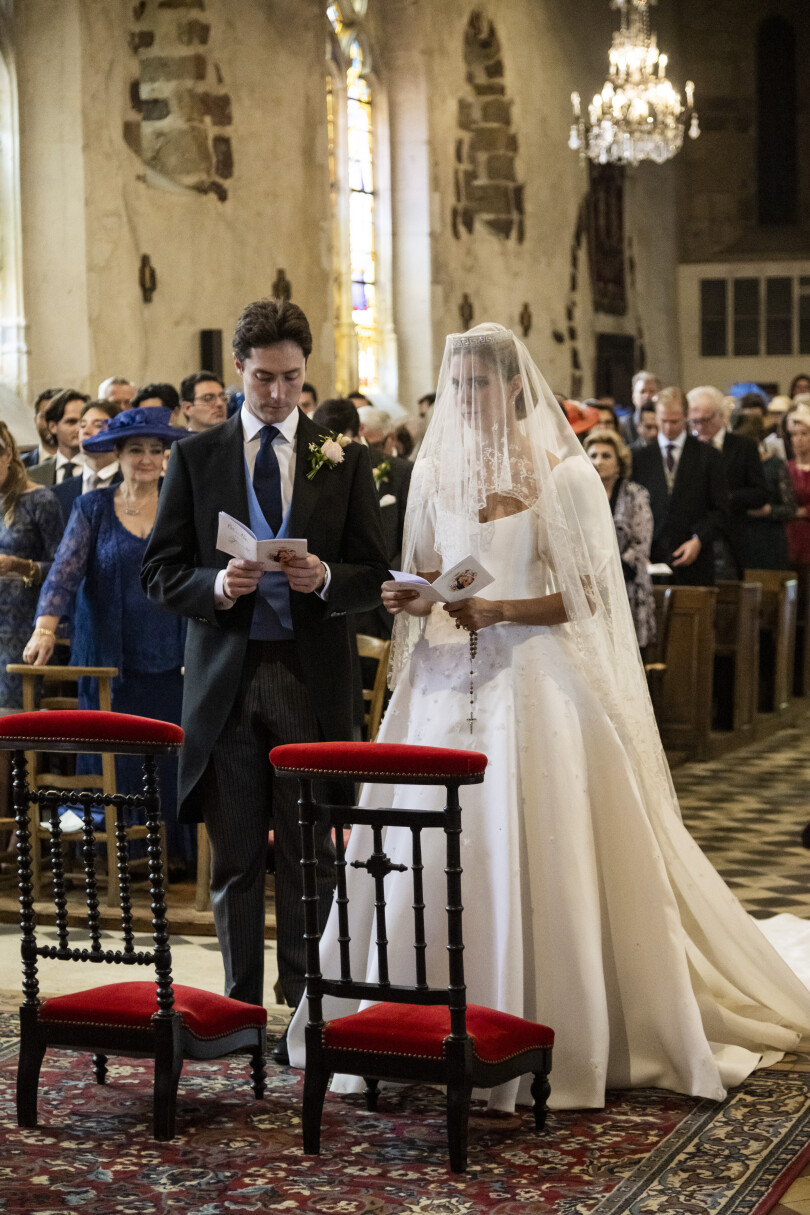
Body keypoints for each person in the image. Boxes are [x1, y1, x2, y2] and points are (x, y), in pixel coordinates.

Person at [289, 323, 810, 1111]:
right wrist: (409, 593)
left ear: (513, 388)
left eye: (478, 387)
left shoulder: (565, 475)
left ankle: (555, 1019)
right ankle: (406, 1018)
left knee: (531, 840)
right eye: (456, 387)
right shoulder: (438, 474)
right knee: (417, 844)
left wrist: (500, 609)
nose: (464, 401)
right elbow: (426, 571)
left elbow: (592, 595)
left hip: (533, 680)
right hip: (442, 683)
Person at [141, 298, 389, 1018]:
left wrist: (330, 580)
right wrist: (214, 584)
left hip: (309, 677)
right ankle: (240, 1007)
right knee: (238, 853)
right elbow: (158, 570)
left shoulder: (341, 457)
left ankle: (306, 1007)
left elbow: (375, 569)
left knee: (310, 854)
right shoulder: (197, 456)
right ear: (239, 371)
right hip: (226, 678)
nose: (279, 395)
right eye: (264, 379)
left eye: (292, 378)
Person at [23, 407, 191, 865]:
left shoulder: (181, 507)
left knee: (166, 756)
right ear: (117, 453)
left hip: (170, 660)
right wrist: (45, 628)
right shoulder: (91, 507)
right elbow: (63, 573)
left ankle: (169, 854)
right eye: (136, 449)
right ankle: (116, 856)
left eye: (156, 450)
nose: (147, 458)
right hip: (108, 665)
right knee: (114, 760)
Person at [632, 387, 728, 585]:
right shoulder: (639, 458)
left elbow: (720, 510)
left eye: (674, 421)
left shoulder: (708, 456)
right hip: (651, 556)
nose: (668, 427)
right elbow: (631, 510)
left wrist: (698, 539)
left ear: (686, 417)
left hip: (694, 556)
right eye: (663, 421)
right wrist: (638, 549)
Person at [0, 421, 64, 709]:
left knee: (10, 721)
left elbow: (62, 571)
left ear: (8, 454)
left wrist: (20, 565)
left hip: (19, 627)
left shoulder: (40, 499)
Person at [584, 426, 656, 647]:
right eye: (593, 455)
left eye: (606, 455)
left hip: (628, 582)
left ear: (619, 462)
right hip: (590, 582)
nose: (599, 461)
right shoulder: (582, 492)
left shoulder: (636, 494)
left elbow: (641, 541)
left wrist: (612, 569)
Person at [687, 384, 768, 578]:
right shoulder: (688, 450)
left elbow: (760, 493)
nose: (699, 427)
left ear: (721, 416)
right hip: (694, 537)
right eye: (693, 422)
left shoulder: (743, 446)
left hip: (734, 538)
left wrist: (725, 497)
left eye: (705, 420)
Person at [729, 408, 795, 570]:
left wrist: (769, 511)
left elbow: (790, 508)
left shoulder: (774, 465)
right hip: (739, 538)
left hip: (769, 538)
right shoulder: (733, 467)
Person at [51, 399, 123, 526]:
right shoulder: (59, 492)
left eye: (99, 425)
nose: (86, 431)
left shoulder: (132, 486)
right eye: (83, 425)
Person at [28, 389, 89, 487]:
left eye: (83, 422)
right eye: (71, 422)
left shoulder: (101, 470)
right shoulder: (32, 476)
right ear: (53, 427)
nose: (79, 429)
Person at [786, 402, 810, 569]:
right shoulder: (786, 468)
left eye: (804, 434)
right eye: (794, 435)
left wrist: (804, 511)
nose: (799, 439)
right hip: (790, 535)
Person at [21, 388, 61, 468]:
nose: (51, 425)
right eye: (45, 417)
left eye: (57, 417)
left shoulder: (87, 464)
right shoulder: (18, 466)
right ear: (36, 420)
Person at [620, 370, 660, 444]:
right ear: (633, 396)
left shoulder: (666, 421)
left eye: (651, 391)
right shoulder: (623, 425)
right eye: (642, 392)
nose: (647, 396)